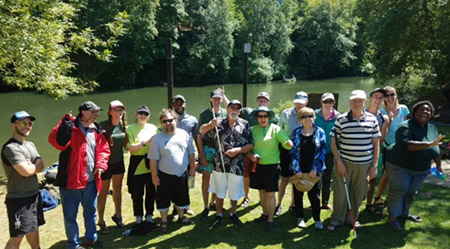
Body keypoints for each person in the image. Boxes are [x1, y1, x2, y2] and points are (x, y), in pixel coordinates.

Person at [48, 101, 110, 249]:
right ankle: (74, 245)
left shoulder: (97, 130)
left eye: (97, 112)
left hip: (91, 182)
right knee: (70, 216)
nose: (96, 115)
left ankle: (91, 239)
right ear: (83, 112)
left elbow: (104, 150)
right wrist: (64, 124)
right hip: (71, 182)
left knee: (91, 212)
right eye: (93, 112)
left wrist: (101, 166)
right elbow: (56, 142)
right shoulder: (70, 128)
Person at [327, 90, 380, 231]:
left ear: (365, 102)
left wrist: (374, 165)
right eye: (354, 101)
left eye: (359, 101)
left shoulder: (372, 119)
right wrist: (338, 162)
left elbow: (376, 144)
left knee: (359, 192)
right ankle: (336, 219)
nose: (356, 103)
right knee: (340, 192)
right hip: (344, 163)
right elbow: (333, 142)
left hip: (364, 164)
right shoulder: (341, 119)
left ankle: (352, 219)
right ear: (350, 102)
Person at [385, 101, 443, 230]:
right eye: (421, 110)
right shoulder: (405, 126)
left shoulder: (432, 128)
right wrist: (428, 144)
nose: (425, 112)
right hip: (399, 164)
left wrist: (438, 165)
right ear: (415, 113)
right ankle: (392, 217)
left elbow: (436, 148)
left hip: (421, 168)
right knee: (399, 189)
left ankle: (405, 214)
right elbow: (407, 146)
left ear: (431, 114)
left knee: (411, 191)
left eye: (428, 110)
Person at [199, 99, 253, 228]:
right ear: (227, 109)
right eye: (232, 107)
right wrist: (209, 125)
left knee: (234, 191)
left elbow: (251, 144)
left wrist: (238, 150)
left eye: (237, 108)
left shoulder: (245, 124)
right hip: (219, 164)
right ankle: (219, 214)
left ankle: (233, 213)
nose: (234, 110)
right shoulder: (218, 123)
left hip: (237, 165)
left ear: (239, 111)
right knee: (219, 191)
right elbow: (201, 132)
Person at [223, 91, 279, 208]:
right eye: (259, 99)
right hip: (249, 151)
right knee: (246, 174)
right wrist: (223, 96)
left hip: (267, 154)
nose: (261, 101)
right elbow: (232, 108)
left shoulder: (274, 118)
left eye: (264, 100)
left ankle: (265, 201)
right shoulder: (248, 112)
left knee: (266, 180)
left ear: (268, 102)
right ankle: (246, 197)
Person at [2, 111, 45, 249]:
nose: (27, 126)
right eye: (22, 123)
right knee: (17, 236)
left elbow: (42, 165)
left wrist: (32, 165)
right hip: (19, 199)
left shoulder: (30, 145)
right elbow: (25, 172)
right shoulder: (10, 148)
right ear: (13, 125)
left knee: (33, 228)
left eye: (29, 123)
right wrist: (34, 166)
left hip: (33, 196)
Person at [149, 109, 196, 233]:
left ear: (175, 120)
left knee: (181, 196)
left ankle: (181, 216)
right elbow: (153, 159)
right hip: (164, 175)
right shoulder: (157, 138)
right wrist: (154, 176)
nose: (168, 123)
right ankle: (164, 221)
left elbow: (191, 153)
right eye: (165, 121)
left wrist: (192, 168)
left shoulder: (184, 134)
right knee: (163, 199)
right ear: (161, 123)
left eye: (170, 120)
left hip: (182, 173)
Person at [248, 106, 292, 232]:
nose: (263, 118)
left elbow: (287, 143)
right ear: (257, 118)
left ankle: (270, 220)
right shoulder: (252, 130)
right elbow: (248, 146)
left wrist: (288, 144)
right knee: (261, 191)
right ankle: (265, 214)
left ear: (269, 117)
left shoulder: (276, 129)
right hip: (258, 165)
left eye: (265, 116)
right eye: (260, 116)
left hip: (272, 166)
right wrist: (250, 155)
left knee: (270, 194)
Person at [290, 107, 326, 230]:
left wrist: (315, 168)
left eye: (310, 116)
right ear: (300, 120)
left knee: (314, 196)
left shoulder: (320, 132)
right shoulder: (296, 133)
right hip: (300, 169)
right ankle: (300, 217)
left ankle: (317, 219)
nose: (308, 119)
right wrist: (297, 169)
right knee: (298, 195)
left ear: (314, 117)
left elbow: (322, 151)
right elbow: (293, 152)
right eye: (304, 117)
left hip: (314, 170)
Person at [375, 86, 410, 207]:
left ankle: (392, 198)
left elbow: (407, 127)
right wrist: (388, 121)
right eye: (387, 95)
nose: (390, 97)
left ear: (396, 95)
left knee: (400, 173)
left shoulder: (404, 109)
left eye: (392, 95)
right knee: (387, 173)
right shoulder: (382, 113)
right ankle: (378, 196)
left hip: (402, 146)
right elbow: (382, 132)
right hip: (389, 146)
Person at [275, 91, 309, 216]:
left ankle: (293, 204)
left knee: (297, 178)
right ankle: (278, 205)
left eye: (301, 103)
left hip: (301, 153)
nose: (299, 106)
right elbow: (278, 131)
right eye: (297, 103)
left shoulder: (309, 115)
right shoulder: (286, 114)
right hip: (287, 152)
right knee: (284, 178)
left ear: (306, 103)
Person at [97, 100, 127, 234]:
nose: (118, 112)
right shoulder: (102, 126)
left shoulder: (123, 125)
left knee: (117, 189)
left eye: (120, 110)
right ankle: (101, 221)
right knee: (103, 192)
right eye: (115, 110)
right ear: (110, 112)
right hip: (105, 164)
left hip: (118, 162)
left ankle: (118, 216)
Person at [197, 89, 227, 219]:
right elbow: (199, 135)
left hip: (220, 150)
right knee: (206, 178)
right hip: (208, 149)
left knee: (218, 178)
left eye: (219, 98)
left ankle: (213, 202)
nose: (217, 100)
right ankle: (205, 207)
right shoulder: (204, 114)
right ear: (211, 99)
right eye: (214, 98)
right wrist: (201, 154)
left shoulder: (226, 112)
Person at [126, 105, 158, 225]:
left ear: (148, 116)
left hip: (150, 163)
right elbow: (130, 148)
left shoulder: (153, 128)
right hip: (137, 163)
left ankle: (149, 214)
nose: (143, 116)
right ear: (137, 114)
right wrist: (145, 143)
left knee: (151, 192)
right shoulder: (130, 128)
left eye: (145, 114)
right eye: (141, 113)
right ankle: (138, 216)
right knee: (137, 193)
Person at [172, 94, 198, 216]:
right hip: (172, 156)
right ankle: (174, 207)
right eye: (176, 103)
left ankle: (185, 206)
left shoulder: (192, 120)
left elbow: (197, 138)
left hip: (187, 157)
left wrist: (200, 155)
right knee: (173, 181)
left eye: (181, 103)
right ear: (173, 105)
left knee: (187, 182)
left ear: (185, 104)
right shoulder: (169, 119)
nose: (179, 106)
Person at [365, 89, 390, 215]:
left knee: (372, 179)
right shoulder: (360, 113)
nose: (378, 100)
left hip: (375, 153)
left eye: (381, 98)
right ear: (370, 98)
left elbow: (381, 139)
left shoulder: (384, 118)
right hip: (359, 153)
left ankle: (368, 204)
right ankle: (352, 204)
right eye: (376, 96)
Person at [314, 93, 340, 210]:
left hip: (330, 151)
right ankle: (314, 200)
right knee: (316, 176)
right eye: (325, 102)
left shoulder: (338, 117)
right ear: (321, 103)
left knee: (328, 177)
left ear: (333, 103)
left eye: (330, 102)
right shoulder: (314, 115)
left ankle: (325, 202)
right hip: (317, 151)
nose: (328, 104)